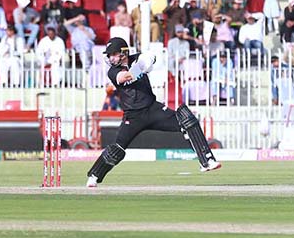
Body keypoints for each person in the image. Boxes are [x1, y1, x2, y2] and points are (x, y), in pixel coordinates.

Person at [85, 37, 221, 187]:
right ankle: (94, 176)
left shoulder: (136, 58)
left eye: (114, 54)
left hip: (153, 109)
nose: (111, 58)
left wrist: (147, 60)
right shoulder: (113, 71)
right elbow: (125, 78)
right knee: (117, 149)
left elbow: (151, 57)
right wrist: (141, 66)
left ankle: (207, 161)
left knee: (187, 121)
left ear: (123, 53)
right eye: (109, 55)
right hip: (133, 116)